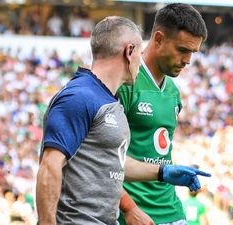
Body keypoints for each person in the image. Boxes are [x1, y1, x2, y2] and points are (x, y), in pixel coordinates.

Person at [36, 16, 210, 225]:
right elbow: (50, 166)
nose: (142, 60)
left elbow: (111, 166)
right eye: (140, 52)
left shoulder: (106, 99)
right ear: (129, 52)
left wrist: (163, 172)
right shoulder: (79, 96)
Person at [117, 3, 208, 225]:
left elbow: (156, 152)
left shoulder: (173, 93)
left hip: (172, 211)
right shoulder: (125, 83)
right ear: (158, 39)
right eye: (183, 50)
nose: (187, 61)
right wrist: (128, 208)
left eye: (193, 53)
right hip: (135, 213)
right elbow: (101, 159)